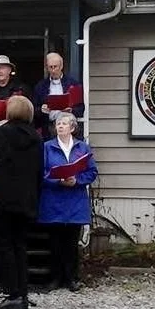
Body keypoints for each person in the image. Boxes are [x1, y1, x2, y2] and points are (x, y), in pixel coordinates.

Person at [0, 96, 42, 309]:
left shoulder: (1, 133)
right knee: (20, 246)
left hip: (1, 198)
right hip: (25, 199)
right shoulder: (36, 137)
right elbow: (39, 171)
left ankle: (12, 292)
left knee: (3, 246)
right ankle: (21, 292)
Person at [38, 112, 98, 292]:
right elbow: (40, 173)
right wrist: (58, 180)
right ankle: (55, 278)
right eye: (58, 124)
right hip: (53, 200)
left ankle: (71, 278)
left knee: (71, 243)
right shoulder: (46, 147)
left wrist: (77, 180)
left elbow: (92, 172)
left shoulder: (82, 148)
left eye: (64, 123)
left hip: (74, 201)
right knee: (54, 242)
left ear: (72, 127)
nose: (60, 126)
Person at [33, 52, 84, 139]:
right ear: (47, 68)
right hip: (49, 127)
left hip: (68, 126)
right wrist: (41, 109)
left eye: (55, 67)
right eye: (50, 67)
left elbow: (81, 108)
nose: (53, 70)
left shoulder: (73, 84)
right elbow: (34, 109)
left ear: (61, 66)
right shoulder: (41, 86)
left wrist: (71, 110)